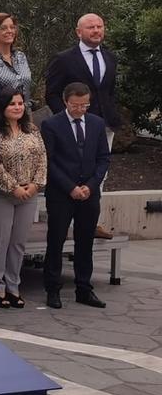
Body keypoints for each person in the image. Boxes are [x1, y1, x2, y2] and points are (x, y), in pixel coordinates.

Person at [46, 13, 120, 239]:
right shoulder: (65, 59)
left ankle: (92, 221)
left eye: (100, 26)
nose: (96, 31)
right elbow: (52, 93)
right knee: (70, 169)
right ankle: (67, 222)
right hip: (71, 126)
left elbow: (109, 91)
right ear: (79, 32)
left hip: (102, 125)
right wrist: (67, 120)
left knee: (100, 173)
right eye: (91, 27)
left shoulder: (110, 58)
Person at [41, 82, 111, 310]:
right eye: (76, 105)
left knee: (85, 240)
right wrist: (70, 187)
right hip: (62, 192)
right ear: (65, 102)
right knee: (56, 239)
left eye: (85, 105)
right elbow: (48, 162)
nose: (80, 110)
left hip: (89, 193)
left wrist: (91, 185)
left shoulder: (97, 123)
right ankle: (52, 288)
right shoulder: (51, 125)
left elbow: (103, 158)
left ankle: (84, 287)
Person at [0, 89, 47, 309]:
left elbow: (42, 157)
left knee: (18, 243)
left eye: (20, 103)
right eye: (12, 104)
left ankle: (13, 286)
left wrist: (36, 184)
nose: (18, 107)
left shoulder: (32, 129)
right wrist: (13, 187)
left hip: (29, 193)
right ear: (1, 108)